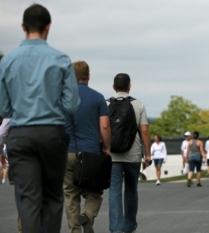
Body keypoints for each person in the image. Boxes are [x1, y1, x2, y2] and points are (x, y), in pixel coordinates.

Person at [0, 4, 80, 232]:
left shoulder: (7, 61)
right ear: (48, 27)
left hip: (22, 135)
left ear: (23, 26)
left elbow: (4, 108)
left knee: (28, 200)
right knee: (52, 198)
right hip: (53, 134)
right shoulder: (61, 59)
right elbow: (71, 105)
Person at [63, 61, 111, 233]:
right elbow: (104, 126)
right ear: (88, 76)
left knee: (71, 195)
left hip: (67, 152)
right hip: (90, 153)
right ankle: (88, 215)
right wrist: (107, 148)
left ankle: (75, 231)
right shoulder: (97, 97)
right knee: (94, 192)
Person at [108, 73, 151, 233]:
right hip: (133, 155)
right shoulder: (138, 105)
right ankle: (130, 224)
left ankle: (116, 228)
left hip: (112, 155)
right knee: (131, 189)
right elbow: (144, 131)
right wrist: (148, 154)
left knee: (114, 190)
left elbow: (103, 128)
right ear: (129, 86)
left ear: (113, 87)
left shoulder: (105, 104)